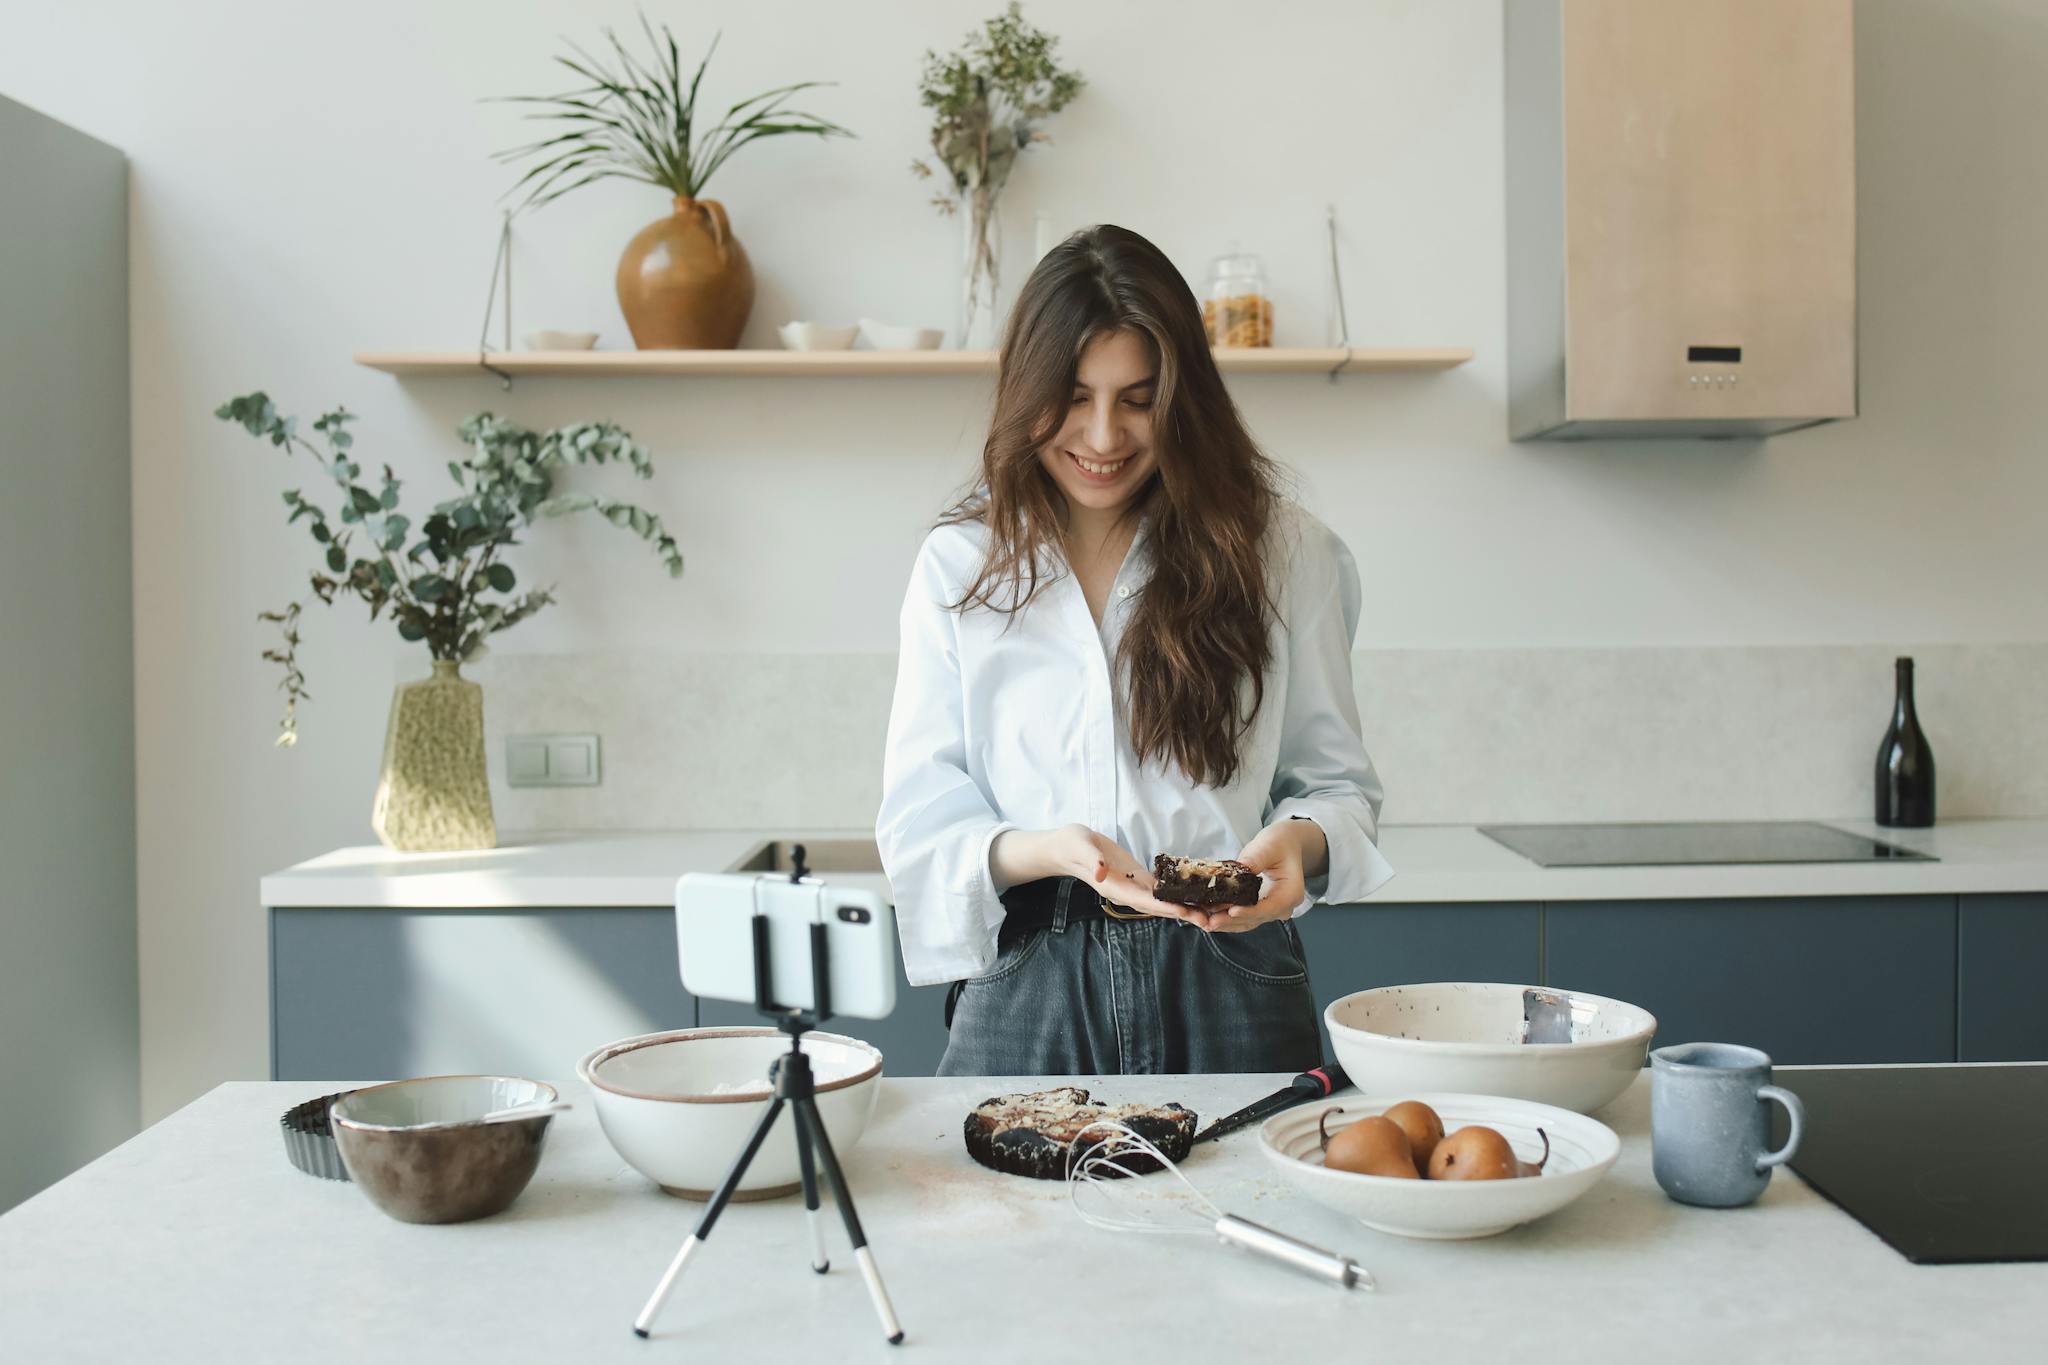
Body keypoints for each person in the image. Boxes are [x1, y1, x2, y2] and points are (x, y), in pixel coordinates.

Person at [875, 224, 1393, 1077]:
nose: (1105, 435)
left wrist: (1297, 847)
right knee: (1001, 1214)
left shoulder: (1283, 553)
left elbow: (1336, 788)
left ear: (1184, 398)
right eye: (1075, 396)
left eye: (1139, 397)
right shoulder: (960, 565)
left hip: (1230, 974)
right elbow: (920, 816)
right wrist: (1051, 850)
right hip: (1027, 976)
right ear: (1025, 391)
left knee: (1247, 1208)